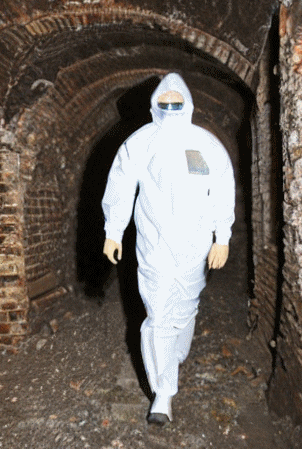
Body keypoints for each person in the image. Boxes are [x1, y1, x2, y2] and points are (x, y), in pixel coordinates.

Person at [102, 72, 235, 426]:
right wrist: (113, 231)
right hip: (154, 245)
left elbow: (223, 190)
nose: (172, 108)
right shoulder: (139, 143)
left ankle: (175, 354)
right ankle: (163, 392)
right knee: (158, 315)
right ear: (155, 105)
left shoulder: (206, 145)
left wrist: (222, 236)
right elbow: (120, 185)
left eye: (178, 103)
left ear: (188, 104)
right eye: (165, 103)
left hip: (195, 246)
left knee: (184, 310)